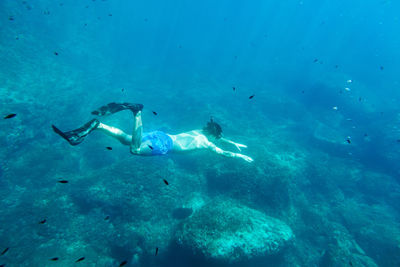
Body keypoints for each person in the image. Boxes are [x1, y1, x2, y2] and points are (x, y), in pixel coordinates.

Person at [52, 102, 254, 163]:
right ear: (213, 136)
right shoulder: (206, 143)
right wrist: (240, 155)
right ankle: (137, 112)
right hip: (163, 145)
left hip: (161, 135)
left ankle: (98, 126)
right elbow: (221, 151)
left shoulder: (199, 131)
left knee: (126, 140)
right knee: (134, 150)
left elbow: (218, 136)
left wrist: (232, 142)